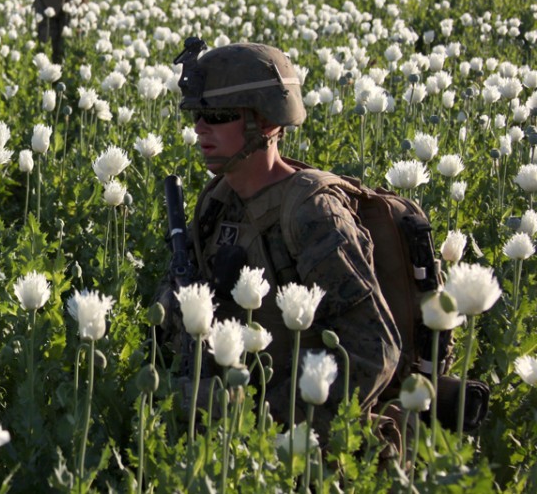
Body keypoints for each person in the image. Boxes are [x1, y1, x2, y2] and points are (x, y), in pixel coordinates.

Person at [166, 38, 401, 435]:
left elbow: (372, 352)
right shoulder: (217, 201)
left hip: (297, 441)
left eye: (219, 114)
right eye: (196, 115)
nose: (201, 128)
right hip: (219, 428)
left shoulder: (312, 214)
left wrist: (264, 422)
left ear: (268, 122)